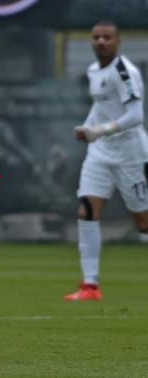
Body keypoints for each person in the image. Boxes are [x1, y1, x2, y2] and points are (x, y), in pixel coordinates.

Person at [65, 20, 148, 301]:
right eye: (96, 37)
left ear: (118, 41)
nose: (100, 41)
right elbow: (100, 107)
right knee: (87, 211)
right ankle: (90, 286)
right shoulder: (93, 70)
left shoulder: (124, 71)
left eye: (107, 37)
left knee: (143, 224)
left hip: (131, 154)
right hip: (100, 154)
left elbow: (136, 115)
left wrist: (99, 131)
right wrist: (89, 127)